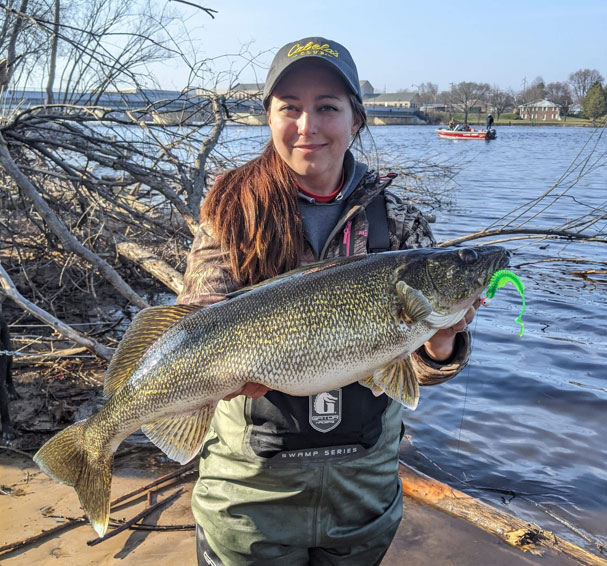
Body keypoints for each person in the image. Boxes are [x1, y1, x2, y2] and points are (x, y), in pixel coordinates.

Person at [178, 36, 478, 565]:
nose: (307, 125)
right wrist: (216, 376)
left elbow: (420, 372)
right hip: (250, 495)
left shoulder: (401, 222)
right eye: (289, 107)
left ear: (357, 120)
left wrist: (441, 345)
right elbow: (201, 319)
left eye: (327, 108)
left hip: (360, 493)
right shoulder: (231, 209)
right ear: (267, 117)